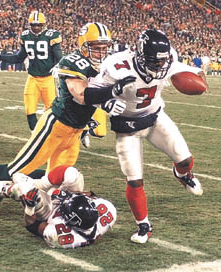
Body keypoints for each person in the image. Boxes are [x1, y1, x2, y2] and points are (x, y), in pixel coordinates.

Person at [0, 22, 130, 213]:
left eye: (104, 48)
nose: (101, 52)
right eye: (96, 48)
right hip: (56, 125)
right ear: (84, 45)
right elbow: (81, 94)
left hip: (75, 131)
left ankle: (18, 192)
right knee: (16, 170)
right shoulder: (73, 61)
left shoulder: (103, 66)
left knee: (56, 178)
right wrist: (111, 93)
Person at [88, 29, 207, 244]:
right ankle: (143, 224)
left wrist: (197, 81)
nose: (160, 67)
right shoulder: (117, 65)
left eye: (163, 62)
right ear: (140, 56)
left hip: (155, 118)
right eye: (155, 62)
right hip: (127, 127)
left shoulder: (167, 58)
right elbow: (90, 94)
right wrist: (108, 98)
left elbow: (196, 74)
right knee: (134, 181)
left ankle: (182, 175)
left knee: (185, 159)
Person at [0, 164, 116, 249]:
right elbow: (85, 196)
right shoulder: (107, 209)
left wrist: (29, 207)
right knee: (72, 174)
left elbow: (32, 226)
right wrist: (71, 195)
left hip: (49, 210)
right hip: (65, 197)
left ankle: (3, 189)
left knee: (27, 190)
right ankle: (39, 183)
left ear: (70, 222)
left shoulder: (61, 235)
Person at [0, 11, 63, 131]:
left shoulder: (51, 36)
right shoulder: (25, 36)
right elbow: (18, 58)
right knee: (29, 109)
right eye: (33, 25)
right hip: (33, 78)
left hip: (48, 79)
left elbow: (59, 57)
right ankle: (34, 136)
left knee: (51, 112)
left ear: (43, 25)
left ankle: (50, 135)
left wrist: (58, 66)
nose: (36, 27)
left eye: (38, 25)